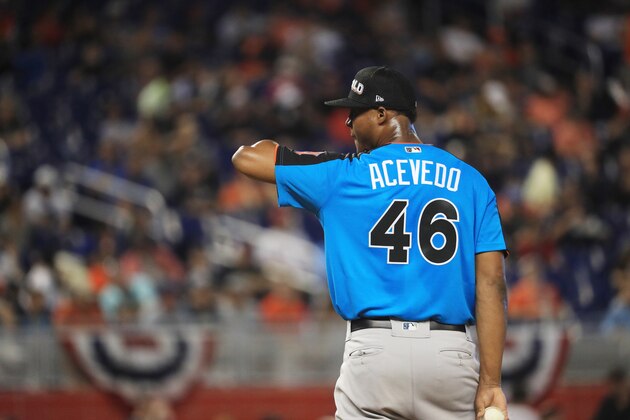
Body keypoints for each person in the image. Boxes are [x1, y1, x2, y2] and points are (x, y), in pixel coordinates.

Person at [232, 66, 509, 419]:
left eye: (354, 112)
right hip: (450, 355)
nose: (347, 123)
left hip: (374, 353)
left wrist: (323, 163)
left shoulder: (341, 175)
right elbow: (492, 283)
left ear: (382, 114)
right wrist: (490, 382)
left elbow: (246, 156)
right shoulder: (472, 182)